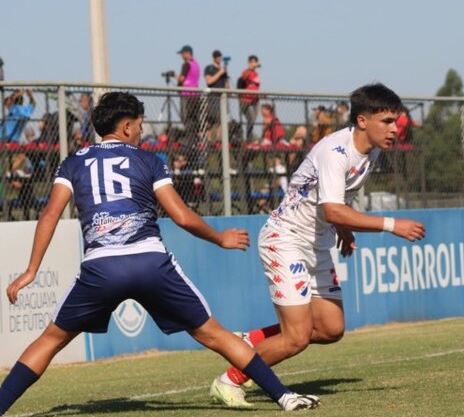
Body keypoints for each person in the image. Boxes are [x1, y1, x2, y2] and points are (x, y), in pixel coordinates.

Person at [0, 92, 320, 415]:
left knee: (50, 340)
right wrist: (219, 238)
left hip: (101, 267)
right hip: (150, 261)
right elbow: (181, 216)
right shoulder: (149, 161)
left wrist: (31, 270)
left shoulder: (73, 162)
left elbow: (50, 215)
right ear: (125, 127)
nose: (142, 131)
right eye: (139, 125)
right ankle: (284, 397)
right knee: (215, 334)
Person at [209, 83, 426, 407]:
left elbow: (335, 204)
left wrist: (344, 230)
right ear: (363, 121)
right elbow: (333, 208)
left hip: (316, 244)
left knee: (330, 328)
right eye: (387, 121)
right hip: (285, 240)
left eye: (396, 121)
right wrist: (392, 225)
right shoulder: (334, 151)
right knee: (296, 337)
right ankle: (228, 380)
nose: (395, 129)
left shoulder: (372, 151)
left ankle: (250, 342)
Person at [2, 89, 36, 173]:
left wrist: (18, 94)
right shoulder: (25, 110)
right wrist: (30, 95)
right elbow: (33, 104)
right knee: (21, 156)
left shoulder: (15, 109)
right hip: (9, 139)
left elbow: (8, 102)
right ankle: (9, 172)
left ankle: (9, 173)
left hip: (6, 138)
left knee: (21, 156)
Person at [176, 45, 202, 147]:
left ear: (187, 53)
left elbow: (182, 79)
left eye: (182, 54)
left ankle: (189, 139)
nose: (181, 56)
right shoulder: (196, 64)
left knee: (186, 117)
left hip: (186, 94)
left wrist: (174, 75)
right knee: (193, 118)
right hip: (195, 94)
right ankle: (194, 138)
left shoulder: (186, 64)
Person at [203, 50, 230, 142]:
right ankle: (209, 139)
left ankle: (219, 140)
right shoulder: (209, 68)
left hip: (222, 97)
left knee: (221, 120)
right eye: (217, 57)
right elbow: (209, 81)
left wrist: (228, 89)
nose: (219, 58)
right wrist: (220, 73)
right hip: (212, 97)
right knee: (210, 119)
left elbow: (226, 84)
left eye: (220, 57)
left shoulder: (223, 70)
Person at [238, 55, 261, 140]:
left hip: (255, 100)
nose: (254, 63)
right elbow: (243, 77)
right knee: (250, 119)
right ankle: (248, 139)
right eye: (252, 61)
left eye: (255, 61)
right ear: (249, 63)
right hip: (246, 100)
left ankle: (249, 137)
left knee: (253, 121)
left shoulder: (256, 74)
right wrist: (250, 69)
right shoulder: (246, 71)